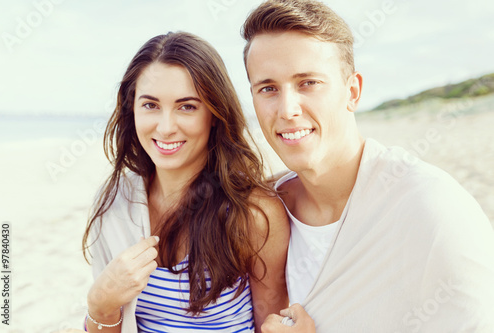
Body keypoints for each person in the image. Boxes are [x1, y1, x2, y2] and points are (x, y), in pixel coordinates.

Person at [241, 0, 494, 332]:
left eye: (308, 83)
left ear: (353, 91)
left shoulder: (432, 209)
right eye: (268, 88)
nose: (287, 109)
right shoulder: (263, 212)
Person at [82, 31, 289, 333]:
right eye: (150, 105)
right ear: (132, 109)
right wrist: (100, 304)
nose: (165, 128)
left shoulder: (254, 214)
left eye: (187, 107)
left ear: (215, 114)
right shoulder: (115, 200)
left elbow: (270, 326)